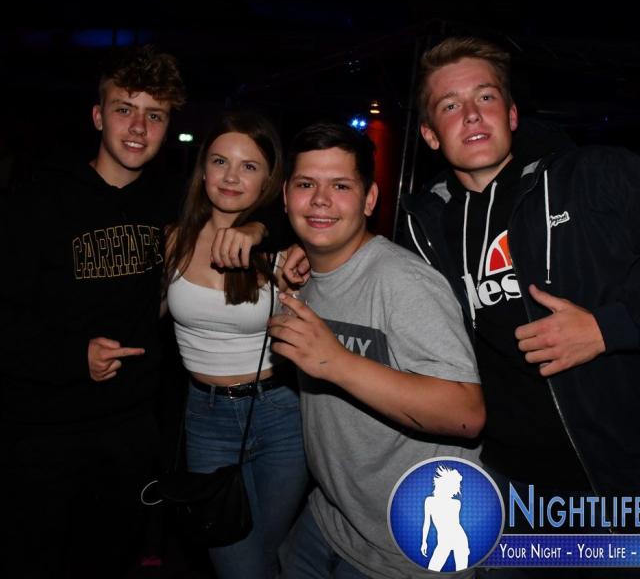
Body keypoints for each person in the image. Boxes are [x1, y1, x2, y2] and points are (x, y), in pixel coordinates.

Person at [401, 36, 640, 549]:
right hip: (504, 482)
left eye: (485, 97)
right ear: (430, 135)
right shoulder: (426, 224)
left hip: (615, 478)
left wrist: (608, 328)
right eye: (450, 105)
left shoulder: (596, 177)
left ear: (511, 115)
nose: (471, 114)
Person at [0, 45, 186, 578]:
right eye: (125, 109)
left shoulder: (169, 204)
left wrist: (258, 230)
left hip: (131, 430)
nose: (139, 127)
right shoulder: (37, 200)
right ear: (99, 116)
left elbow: (245, 210)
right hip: (44, 431)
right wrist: (72, 356)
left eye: (155, 115)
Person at [268, 122, 484, 578]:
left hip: (402, 549)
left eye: (340, 186)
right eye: (306, 184)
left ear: (369, 200)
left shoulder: (403, 281)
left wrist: (335, 362)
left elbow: (466, 412)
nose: (320, 200)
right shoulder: (305, 277)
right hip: (330, 518)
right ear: (286, 196)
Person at [165, 111, 307, 579]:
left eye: (249, 166)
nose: (230, 177)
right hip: (205, 419)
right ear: (203, 169)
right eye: (220, 161)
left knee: (268, 553)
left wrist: (265, 233)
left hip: (280, 414)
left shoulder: (285, 249)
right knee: (237, 563)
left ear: (269, 179)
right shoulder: (173, 241)